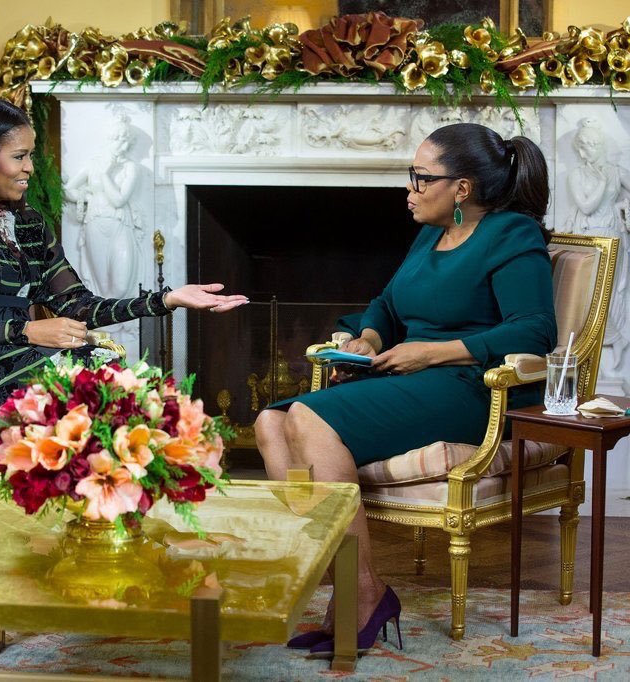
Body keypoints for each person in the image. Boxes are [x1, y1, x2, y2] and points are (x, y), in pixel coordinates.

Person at [0, 97, 248, 549]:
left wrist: (168, 299)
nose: (30, 168)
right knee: (44, 384)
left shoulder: (28, 223)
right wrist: (26, 331)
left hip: (17, 350)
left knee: (106, 374)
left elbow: (79, 304)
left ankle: (98, 527)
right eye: (19, 156)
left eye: (31, 155)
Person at [255, 122, 557, 656]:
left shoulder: (513, 234)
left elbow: (535, 329)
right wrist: (368, 336)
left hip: (472, 387)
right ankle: (352, 586)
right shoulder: (429, 234)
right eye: (411, 176)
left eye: (420, 178)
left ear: (462, 188)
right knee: (270, 424)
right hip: (413, 377)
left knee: (305, 418)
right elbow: (388, 306)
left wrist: (433, 352)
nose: (409, 190)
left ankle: (361, 594)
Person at [566, 117, 630, 373]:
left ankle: (617, 344)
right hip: (588, 240)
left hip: (613, 237)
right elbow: (586, 206)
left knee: (613, 295)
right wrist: (602, 184)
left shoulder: (616, 171)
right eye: (581, 146)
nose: (584, 152)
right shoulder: (576, 174)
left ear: (598, 145)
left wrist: (624, 207)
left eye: (589, 145)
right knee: (590, 296)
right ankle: (589, 352)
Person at [63, 112, 143, 299]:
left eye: (127, 142)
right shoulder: (93, 164)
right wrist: (86, 197)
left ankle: (119, 321)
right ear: (110, 140)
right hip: (95, 224)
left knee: (121, 286)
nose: (123, 147)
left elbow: (119, 200)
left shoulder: (130, 167)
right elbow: (67, 190)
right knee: (101, 284)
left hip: (120, 225)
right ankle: (106, 325)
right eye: (119, 141)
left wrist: (106, 175)